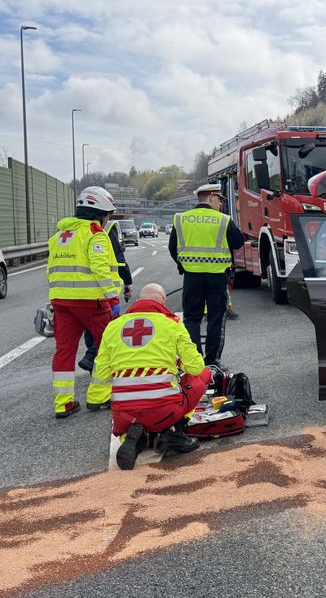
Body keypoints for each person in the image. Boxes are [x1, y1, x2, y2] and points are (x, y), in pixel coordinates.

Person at [94, 282, 212, 470]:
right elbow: (196, 367)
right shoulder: (171, 324)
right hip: (163, 410)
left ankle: (137, 438)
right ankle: (174, 432)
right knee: (203, 375)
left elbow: (101, 373)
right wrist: (174, 363)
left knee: (135, 416)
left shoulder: (113, 326)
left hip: (124, 414)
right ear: (163, 302)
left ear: (139, 301)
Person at [47, 187, 118, 418]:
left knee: (64, 351)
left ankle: (63, 403)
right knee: (107, 347)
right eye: (108, 214)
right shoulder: (95, 234)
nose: (108, 220)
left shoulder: (59, 236)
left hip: (61, 303)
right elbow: (99, 268)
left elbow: (52, 270)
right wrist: (113, 297)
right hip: (91, 302)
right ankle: (98, 396)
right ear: (99, 213)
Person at [168, 183, 245, 367]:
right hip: (217, 278)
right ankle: (212, 361)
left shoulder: (181, 219)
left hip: (191, 277)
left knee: (191, 319)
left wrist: (183, 265)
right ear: (211, 197)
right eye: (219, 199)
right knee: (216, 319)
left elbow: (173, 248)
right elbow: (238, 242)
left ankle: (195, 362)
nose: (220, 203)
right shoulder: (223, 220)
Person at [78, 222, 132, 373]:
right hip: (101, 292)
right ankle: (94, 362)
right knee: (107, 331)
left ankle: (92, 362)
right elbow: (119, 260)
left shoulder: (72, 230)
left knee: (90, 331)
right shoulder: (105, 230)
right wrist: (127, 281)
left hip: (74, 292)